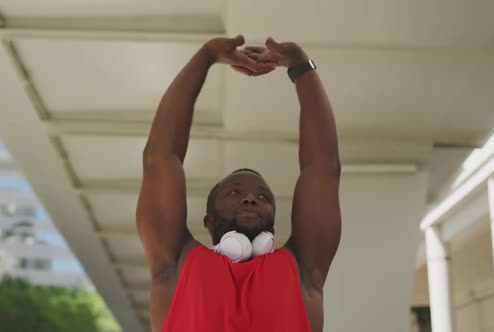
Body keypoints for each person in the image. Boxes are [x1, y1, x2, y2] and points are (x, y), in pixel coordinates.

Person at [136, 35, 341, 332]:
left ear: (274, 220)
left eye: (263, 196)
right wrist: (205, 57)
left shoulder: (304, 273)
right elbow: (160, 158)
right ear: (207, 220)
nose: (250, 199)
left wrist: (301, 66)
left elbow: (323, 169)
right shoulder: (174, 266)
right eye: (235, 193)